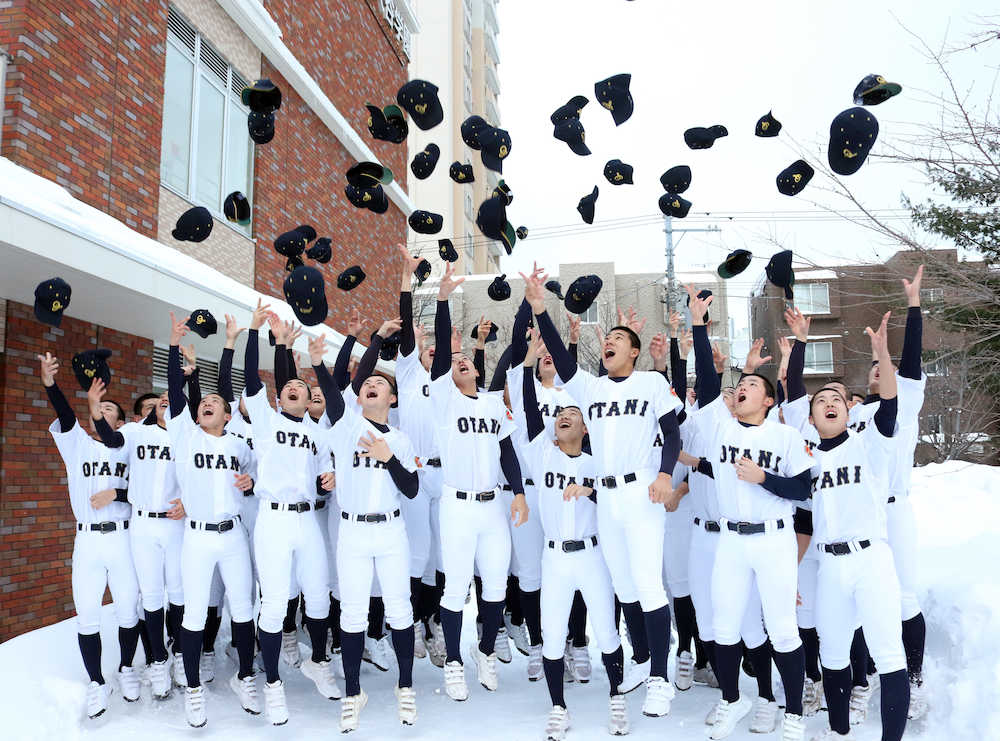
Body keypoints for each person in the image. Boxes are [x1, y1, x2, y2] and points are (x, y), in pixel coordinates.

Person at [520, 267, 683, 718]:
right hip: (608, 496)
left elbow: (672, 434)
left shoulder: (651, 383)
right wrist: (540, 309)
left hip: (643, 490)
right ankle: (643, 660)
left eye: (618, 337)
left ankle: (660, 680)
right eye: (607, 337)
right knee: (624, 585)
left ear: (634, 350)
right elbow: (561, 358)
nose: (609, 341)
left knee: (648, 584)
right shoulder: (591, 389)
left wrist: (665, 475)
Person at [685, 286, 813, 741]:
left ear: (769, 401)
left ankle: (792, 712)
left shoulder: (783, 436)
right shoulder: (721, 429)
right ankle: (731, 700)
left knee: (781, 629)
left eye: (752, 386)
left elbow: (803, 489)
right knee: (724, 627)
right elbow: (707, 379)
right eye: (740, 386)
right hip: (731, 541)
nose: (742, 389)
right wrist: (698, 324)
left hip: (773, 540)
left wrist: (764, 479)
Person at [309, 326, 420, 732]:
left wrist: (388, 457)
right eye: (367, 383)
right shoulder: (346, 427)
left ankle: (405, 686)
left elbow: (411, 489)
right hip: (353, 532)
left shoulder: (401, 440)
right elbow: (333, 393)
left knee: (400, 609)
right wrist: (319, 363)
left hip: (390, 532)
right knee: (353, 612)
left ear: (392, 399)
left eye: (381, 384)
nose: (372, 385)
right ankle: (353, 692)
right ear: (360, 396)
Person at [519, 332, 629, 739]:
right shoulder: (541, 453)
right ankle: (558, 707)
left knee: (606, 631)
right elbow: (529, 407)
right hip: (555, 558)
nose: (563, 416)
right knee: (551, 635)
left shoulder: (598, 463)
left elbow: (616, 500)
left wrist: (591, 491)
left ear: (586, 428)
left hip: (592, 555)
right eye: (559, 413)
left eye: (572, 413)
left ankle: (617, 698)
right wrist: (528, 363)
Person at [807, 311, 911, 741]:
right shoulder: (808, 460)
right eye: (820, 401)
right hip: (830, 566)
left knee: (887, 654)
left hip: (871, 560)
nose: (829, 402)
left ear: (849, 410)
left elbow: (889, 405)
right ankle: (839, 731)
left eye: (836, 398)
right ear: (811, 419)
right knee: (833, 655)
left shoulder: (870, 443)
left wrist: (882, 354)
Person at [430, 262, 529, 701]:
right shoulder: (444, 401)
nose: (462, 362)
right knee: (456, 587)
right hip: (457, 504)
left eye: (466, 360)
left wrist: (520, 493)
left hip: (492, 506)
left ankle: (485, 650)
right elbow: (441, 357)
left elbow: (507, 452)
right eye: (456, 363)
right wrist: (443, 300)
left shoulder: (491, 404)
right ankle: (453, 661)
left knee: (495, 584)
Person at [242, 301, 338, 724]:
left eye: (301, 386)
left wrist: (329, 478)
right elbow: (251, 378)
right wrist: (254, 332)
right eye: (288, 387)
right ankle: (273, 684)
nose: (295, 389)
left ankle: (318, 660)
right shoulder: (266, 421)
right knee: (275, 602)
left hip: (307, 519)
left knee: (317, 596)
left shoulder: (319, 434)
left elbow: (323, 474)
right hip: (274, 519)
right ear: (279, 398)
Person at [164, 312, 258, 727]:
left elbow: (254, 480)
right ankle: (193, 691)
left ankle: (246, 677)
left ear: (227, 415)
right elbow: (176, 390)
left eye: (216, 403)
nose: (208, 404)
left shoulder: (239, 445)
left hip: (233, 535)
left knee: (243, 609)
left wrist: (251, 483)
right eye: (205, 402)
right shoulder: (185, 437)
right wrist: (172, 345)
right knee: (194, 614)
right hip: (198, 538)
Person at [38, 353, 140, 719]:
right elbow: (66, 416)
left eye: (109, 408)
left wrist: (117, 494)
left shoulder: (129, 448)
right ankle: (97, 681)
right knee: (87, 614)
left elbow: (146, 493)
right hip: (88, 541)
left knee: (128, 610)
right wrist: (50, 384)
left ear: (121, 422)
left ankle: (126, 668)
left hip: (123, 538)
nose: (102, 409)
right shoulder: (77, 443)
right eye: (99, 406)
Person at [90, 385, 183, 701]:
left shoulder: (186, 434)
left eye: (168, 398)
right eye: (158, 400)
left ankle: (179, 653)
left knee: (178, 592)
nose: (162, 402)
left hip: (175, 522)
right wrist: (95, 406)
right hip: (142, 522)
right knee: (151, 596)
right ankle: (158, 660)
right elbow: (110, 438)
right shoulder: (134, 431)